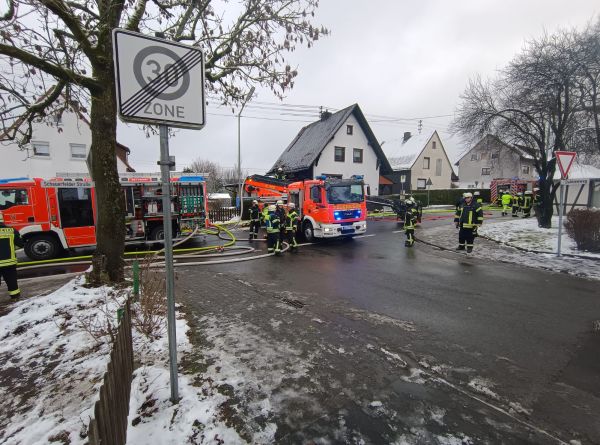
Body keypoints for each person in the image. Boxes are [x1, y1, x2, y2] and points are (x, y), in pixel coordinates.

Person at [0, 212, 24, 299]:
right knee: (12, 283)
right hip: (9, 262)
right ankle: (15, 298)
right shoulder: (11, 230)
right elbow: (21, 244)